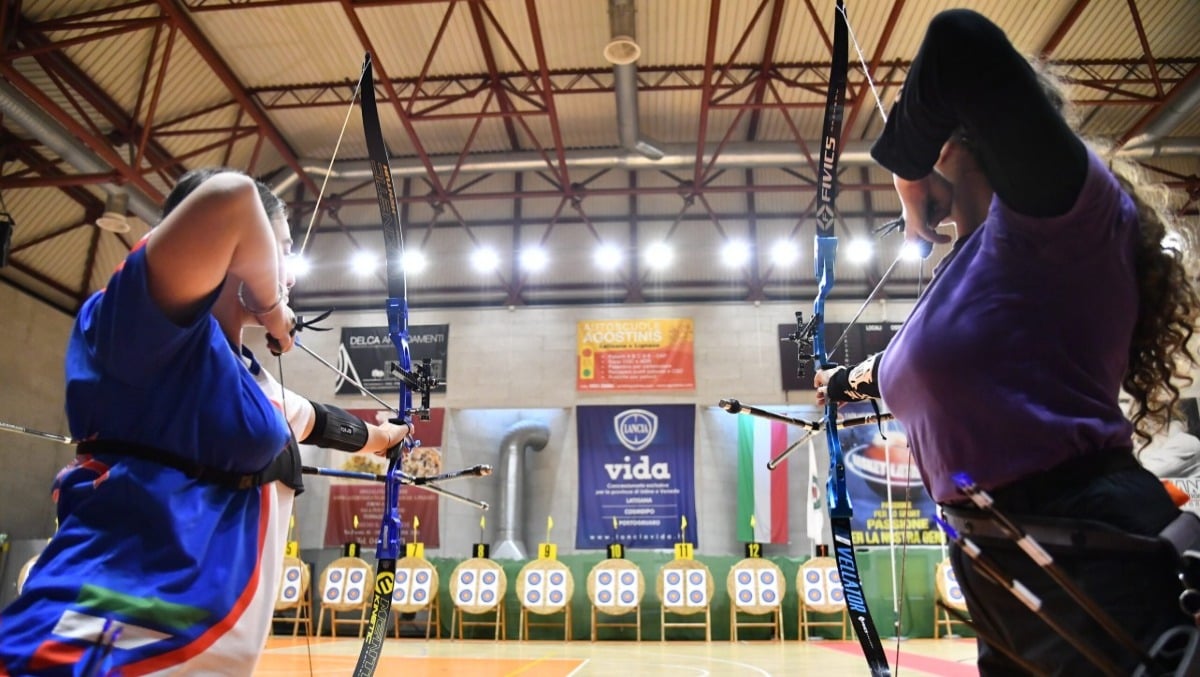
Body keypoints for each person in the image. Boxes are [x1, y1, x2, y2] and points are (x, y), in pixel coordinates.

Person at [815, 9, 1200, 675]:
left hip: (1089, 546)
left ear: (948, 145)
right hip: (1000, 568)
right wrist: (843, 381)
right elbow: (915, 368)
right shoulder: (975, 265)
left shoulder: (1060, 214)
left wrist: (906, 170)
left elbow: (960, 42)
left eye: (931, 138)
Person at [0, 168, 410, 675]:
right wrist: (272, 306)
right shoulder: (138, 327)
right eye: (282, 249)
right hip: (95, 647)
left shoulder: (254, 385)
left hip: (188, 655)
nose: (290, 274)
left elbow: (321, 422)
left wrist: (390, 436)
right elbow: (232, 197)